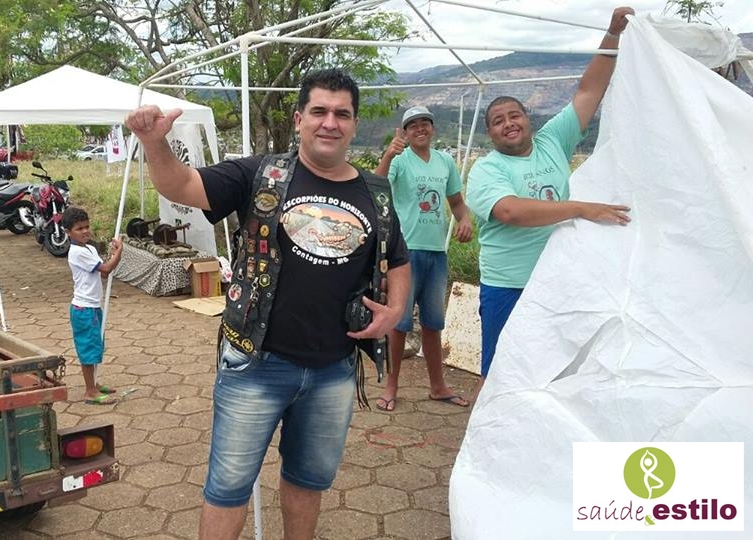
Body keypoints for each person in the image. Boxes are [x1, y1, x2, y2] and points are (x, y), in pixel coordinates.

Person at [126, 68, 410, 540]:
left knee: (308, 482)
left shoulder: (375, 194)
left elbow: (397, 258)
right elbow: (181, 185)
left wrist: (396, 309)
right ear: (299, 119)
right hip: (255, 364)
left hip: (334, 369)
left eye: (342, 114)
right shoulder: (259, 174)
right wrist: (155, 143)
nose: (330, 122)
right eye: (319, 111)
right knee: (228, 489)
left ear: (355, 124)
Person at [466, 7, 635, 397]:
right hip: (509, 285)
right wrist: (581, 208)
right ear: (490, 133)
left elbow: (589, 91)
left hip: (557, 279)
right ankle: (491, 431)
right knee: (500, 370)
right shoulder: (486, 169)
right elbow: (510, 211)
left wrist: (612, 35)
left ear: (528, 118)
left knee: (553, 370)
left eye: (514, 115)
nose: (509, 123)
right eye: (498, 121)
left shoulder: (552, 141)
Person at [373, 106, 474, 411]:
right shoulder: (400, 160)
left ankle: (438, 386)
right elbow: (375, 186)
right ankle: (391, 386)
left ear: (432, 128)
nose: (420, 128)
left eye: (424, 123)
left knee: (433, 322)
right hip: (405, 251)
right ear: (405, 132)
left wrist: (465, 219)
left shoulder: (445, 162)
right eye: (412, 125)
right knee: (399, 323)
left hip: (436, 252)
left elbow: (456, 202)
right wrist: (388, 155)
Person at [62, 206, 123, 405]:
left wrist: (113, 255)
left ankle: (94, 383)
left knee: (96, 346)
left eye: (87, 226)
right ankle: (90, 391)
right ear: (68, 232)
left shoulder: (89, 248)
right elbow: (107, 268)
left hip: (93, 306)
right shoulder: (77, 252)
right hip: (83, 308)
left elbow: (103, 273)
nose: (85, 231)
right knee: (88, 349)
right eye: (79, 229)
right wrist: (119, 253)